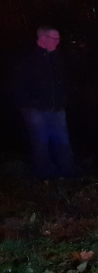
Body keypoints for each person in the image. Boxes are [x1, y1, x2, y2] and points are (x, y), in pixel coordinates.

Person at [12, 26, 76, 178]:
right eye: (54, 39)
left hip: (57, 106)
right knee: (41, 142)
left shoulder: (58, 58)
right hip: (36, 109)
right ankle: (44, 175)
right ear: (43, 39)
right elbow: (18, 84)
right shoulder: (29, 58)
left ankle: (69, 173)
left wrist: (63, 99)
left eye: (58, 39)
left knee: (63, 140)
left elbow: (65, 80)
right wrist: (31, 101)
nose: (57, 42)